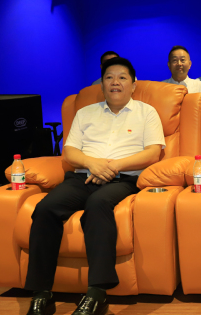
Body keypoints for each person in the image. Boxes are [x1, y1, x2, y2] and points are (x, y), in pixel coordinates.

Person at [25, 57, 165, 315]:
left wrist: (112, 167)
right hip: (82, 177)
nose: (115, 82)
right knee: (46, 209)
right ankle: (41, 293)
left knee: (98, 204)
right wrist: (93, 164)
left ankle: (97, 293)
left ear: (133, 85)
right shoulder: (85, 113)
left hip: (124, 179)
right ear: (102, 85)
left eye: (122, 77)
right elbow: (69, 152)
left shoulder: (147, 112)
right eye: (109, 77)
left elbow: (153, 153)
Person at [162, 46, 201, 122]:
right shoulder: (161, 87)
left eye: (182, 60)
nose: (179, 64)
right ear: (169, 65)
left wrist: (196, 117)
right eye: (175, 60)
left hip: (194, 127)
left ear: (189, 64)